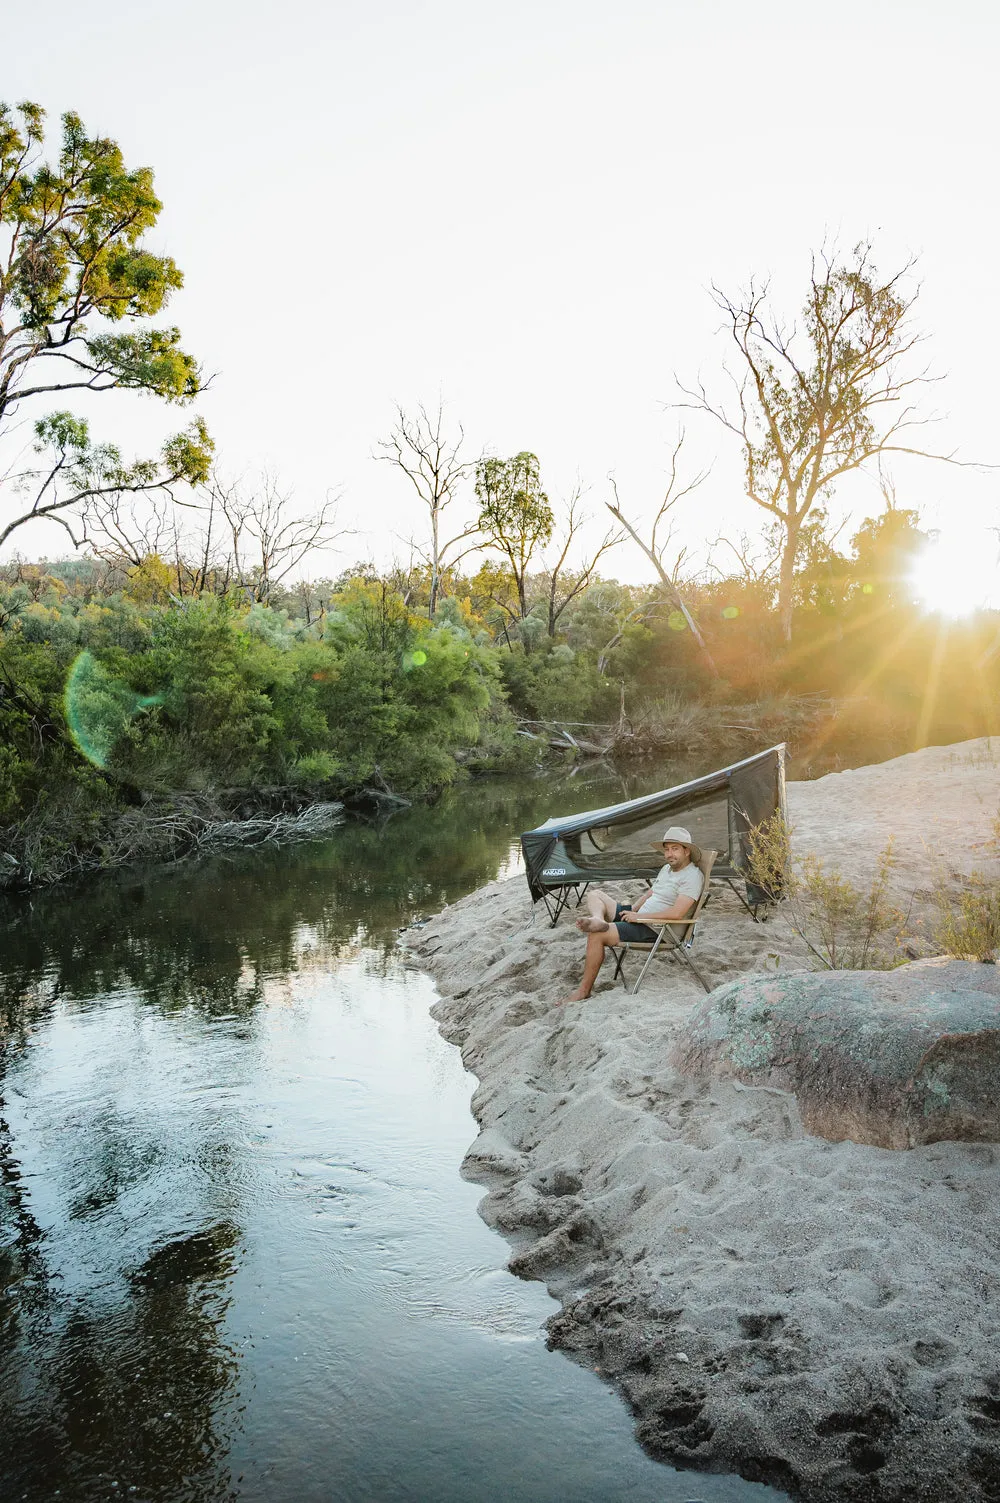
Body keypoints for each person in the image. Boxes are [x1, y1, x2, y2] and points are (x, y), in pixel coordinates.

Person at [558, 826, 704, 1004]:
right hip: (640, 917)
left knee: (597, 935)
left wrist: (640, 918)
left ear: (686, 851)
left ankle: (583, 991)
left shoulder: (692, 877)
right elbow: (652, 892)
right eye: (666, 849)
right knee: (595, 895)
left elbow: (677, 913)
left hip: (656, 929)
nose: (669, 854)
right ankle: (597, 918)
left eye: (675, 849)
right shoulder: (667, 869)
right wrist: (634, 910)